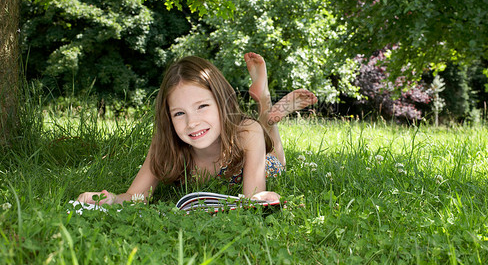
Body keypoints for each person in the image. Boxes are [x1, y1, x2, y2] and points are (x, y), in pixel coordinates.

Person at [77, 52, 317, 204]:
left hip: (255, 153)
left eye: (202, 106)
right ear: (168, 118)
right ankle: (267, 108)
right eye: (179, 113)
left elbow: (252, 196)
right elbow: (136, 196)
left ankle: (266, 104)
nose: (191, 122)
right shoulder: (166, 141)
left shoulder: (246, 132)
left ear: (222, 103)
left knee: (275, 160)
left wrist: (261, 199)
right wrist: (110, 199)